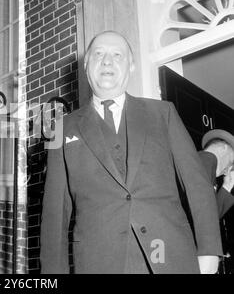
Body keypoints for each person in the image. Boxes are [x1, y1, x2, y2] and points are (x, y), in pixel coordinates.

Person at [40, 31, 223, 274]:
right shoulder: (61, 130)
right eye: (98, 54)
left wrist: (209, 251)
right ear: (86, 66)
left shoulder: (163, 114)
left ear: (132, 66)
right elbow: (54, 214)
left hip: (172, 260)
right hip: (99, 263)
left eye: (117, 55)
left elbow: (198, 185)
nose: (107, 61)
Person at [199, 129, 234, 218]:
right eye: (232, 162)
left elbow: (210, 216)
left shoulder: (204, 165)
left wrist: (227, 186)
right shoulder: (206, 159)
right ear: (224, 147)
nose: (227, 171)